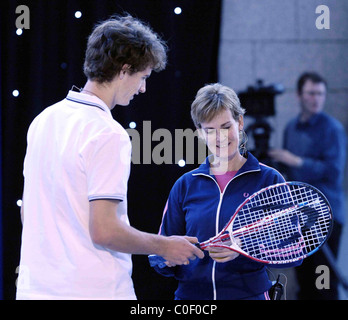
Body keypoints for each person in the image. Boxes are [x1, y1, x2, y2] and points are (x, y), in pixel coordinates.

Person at [16, 14, 203, 300]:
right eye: (142, 77)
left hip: (35, 290)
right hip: (93, 291)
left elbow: (27, 212)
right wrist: (164, 246)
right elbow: (104, 231)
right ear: (124, 70)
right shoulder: (108, 133)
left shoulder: (43, 120)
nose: (142, 88)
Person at [152, 83, 301, 300]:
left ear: (240, 123)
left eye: (226, 126)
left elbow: (293, 251)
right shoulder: (185, 185)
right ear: (200, 134)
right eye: (210, 130)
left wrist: (243, 249)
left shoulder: (269, 179)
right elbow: (159, 253)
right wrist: (168, 258)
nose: (220, 137)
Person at [268, 72, 347, 300]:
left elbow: (334, 172)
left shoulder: (332, 129)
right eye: (311, 93)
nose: (316, 99)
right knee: (304, 278)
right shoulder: (291, 128)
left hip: (326, 215)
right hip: (300, 216)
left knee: (323, 282)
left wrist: (296, 160)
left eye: (321, 94)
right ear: (299, 95)